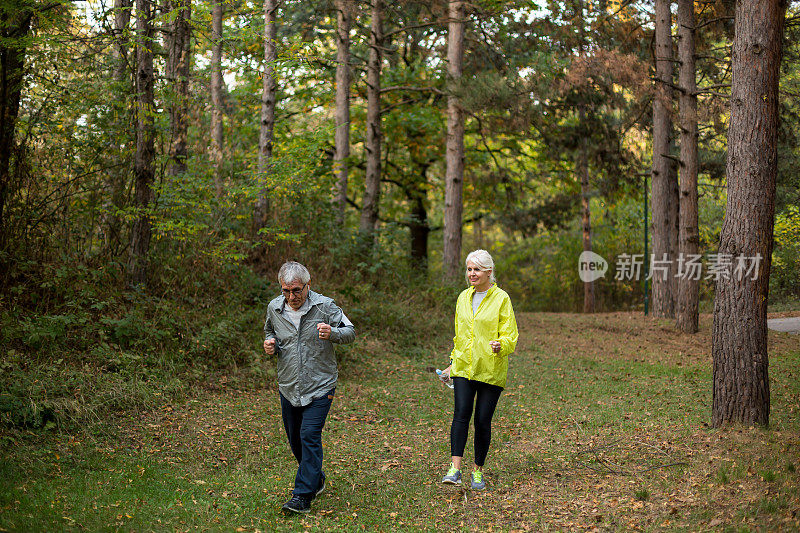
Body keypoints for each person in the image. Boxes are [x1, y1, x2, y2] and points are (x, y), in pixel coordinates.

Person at [263, 261, 355, 514]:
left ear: (308, 285)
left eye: (296, 290)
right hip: (289, 384)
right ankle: (317, 477)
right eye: (286, 291)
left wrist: (332, 333)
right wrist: (270, 344)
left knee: (309, 435)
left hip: (320, 384)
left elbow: (350, 331)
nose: (291, 296)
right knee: (295, 440)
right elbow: (270, 331)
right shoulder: (274, 307)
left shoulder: (325, 306)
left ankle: (302, 496)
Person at [439, 249, 519, 491]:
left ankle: (477, 471)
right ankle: (454, 469)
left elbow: (510, 333)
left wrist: (501, 344)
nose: (471, 274)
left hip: (490, 369)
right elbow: (460, 335)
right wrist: (453, 362)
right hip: (464, 367)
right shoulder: (463, 297)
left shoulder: (502, 298)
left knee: (482, 420)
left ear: (488, 272)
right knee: (461, 413)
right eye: (469, 269)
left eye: (476, 269)